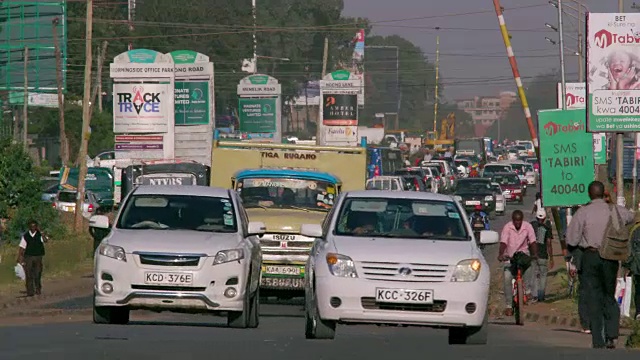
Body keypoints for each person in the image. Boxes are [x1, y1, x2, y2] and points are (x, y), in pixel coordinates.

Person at [566, 181, 635, 349]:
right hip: (610, 257)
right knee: (609, 295)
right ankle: (612, 335)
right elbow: (631, 217)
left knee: (594, 298)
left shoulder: (583, 212)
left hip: (591, 256)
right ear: (603, 193)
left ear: (589, 194)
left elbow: (572, 239)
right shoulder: (613, 209)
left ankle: (598, 339)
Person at [498, 210, 538, 316]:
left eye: (519, 220)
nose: (518, 223)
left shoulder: (528, 226)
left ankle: (528, 290)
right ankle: (508, 306)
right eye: (516, 221)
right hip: (510, 257)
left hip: (523, 255)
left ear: (522, 219)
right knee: (507, 277)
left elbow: (533, 241)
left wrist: (534, 254)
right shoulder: (507, 227)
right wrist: (501, 254)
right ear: (512, 220)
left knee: (529, 267)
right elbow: (503, 242)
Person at [16, 220, 48, 297]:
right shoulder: (26, 236)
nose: (33, 228)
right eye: (31, 226)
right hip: (28, 256)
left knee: (37, 273)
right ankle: (30, 291)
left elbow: (45, 240)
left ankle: (37, 288)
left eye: (34, 226)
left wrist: (42, 234)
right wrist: (19, 257)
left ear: (36, 227)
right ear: (29, 227)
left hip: (38, 257)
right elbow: (22, 247)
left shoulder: (40, 235)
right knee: (29, 274)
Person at [531, 208, 553, 302]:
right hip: (543, 255)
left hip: (532, 255)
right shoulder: (547, 228)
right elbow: (548, 243)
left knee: (534, 275)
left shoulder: (531, 225)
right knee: (543, 275)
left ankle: (535, 295)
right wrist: (551, 257)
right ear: (545, 218)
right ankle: (541, 296)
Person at [623, 213, 640, 320]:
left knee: (638, 289)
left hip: (638, 265)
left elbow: (629, 249)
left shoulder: (635, 229)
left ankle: (639, 311)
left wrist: (628, 266)